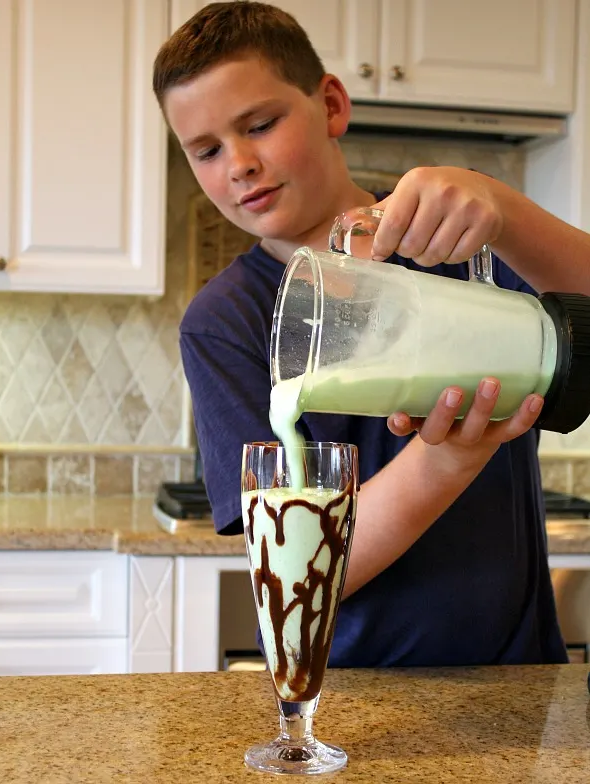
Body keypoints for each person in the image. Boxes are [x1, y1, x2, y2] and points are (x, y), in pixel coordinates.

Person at [153, 1, 590, 667]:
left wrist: (502, 207)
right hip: (356, 702)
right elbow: (299, 569)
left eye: (261, 125)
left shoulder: (451, 236)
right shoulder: (224, 323)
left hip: (519, 678)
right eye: (206, 151)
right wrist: (447, 458)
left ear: (330, 105)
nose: (238, 164)